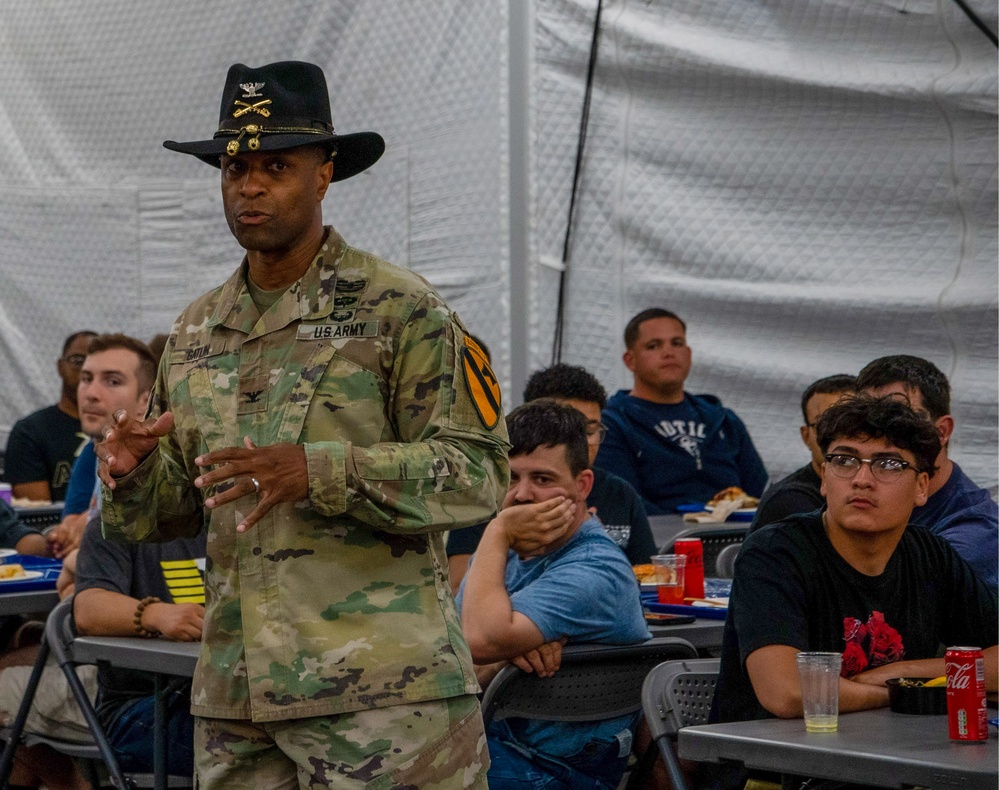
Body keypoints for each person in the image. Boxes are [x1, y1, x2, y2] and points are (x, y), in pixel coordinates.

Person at [96, 61, 509, 789]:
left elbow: (478, 474)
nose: (249, 186)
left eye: (276, 166)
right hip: (237, 696)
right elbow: (178, 511)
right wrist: (132, 476)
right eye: (234, 167)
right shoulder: (196, 329)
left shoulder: (400, 309)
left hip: (381, 696)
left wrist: (319, 471)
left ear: (324, 176)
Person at [709, 395, 997, 790]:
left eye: (889, 464)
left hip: (897, 763)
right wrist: (898, 694)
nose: (862, 479)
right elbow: (788, 693)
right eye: (844, 460)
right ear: (824, 477)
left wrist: (907, 673)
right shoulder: (774, 552)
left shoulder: (929, 553)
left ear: (922, 486)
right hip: (779, 772)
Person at [456, 400, 650, 790]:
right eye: (511, 479)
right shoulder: (507, 549)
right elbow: (454, 656)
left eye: (543, 479)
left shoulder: (598, 570)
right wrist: (503, 654)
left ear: (582, 486)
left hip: (555, 769)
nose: (522, 496)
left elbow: (475, 641)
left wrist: (495, 531)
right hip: (492, 742)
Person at [447, 364, 656, 593]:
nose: (582, 443)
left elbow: (651, 578)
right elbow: (458, 588)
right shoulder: (485, 493)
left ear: (583, 486)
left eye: (589, 431)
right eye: (563, 429)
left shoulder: (619, 493)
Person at [595, 308, 767, 514]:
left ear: (688, 353)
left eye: (677, 343)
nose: (668, 353)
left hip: (737, 536)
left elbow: (761, 494)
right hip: (662, 541)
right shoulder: (612, 422)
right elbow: (624, 501)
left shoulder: (724, 419)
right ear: (630, 360)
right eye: (653, 345)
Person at [856, 354, 998, 590]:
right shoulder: (862, 492)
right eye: (864, 419)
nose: (877, 434)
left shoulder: (973, 538)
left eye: (898, 419)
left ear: (942, 431)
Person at [45, 335, 158, 560]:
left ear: (145, 400)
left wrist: (73, 566)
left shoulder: (160, 466)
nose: (91, 393)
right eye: (86, 378)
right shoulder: (93, 450)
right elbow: (71, 530)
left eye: (113, 382)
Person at [749, 374, 855, 533]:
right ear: (806, 436)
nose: (839, 435)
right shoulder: (789, 500)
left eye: (850, 422)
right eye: (824, 425)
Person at [3, 330, 95, 503]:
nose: (85, 369)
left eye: (95, 363)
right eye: (77, 360)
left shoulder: (120, 426)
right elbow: (36, 514)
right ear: (60, 366)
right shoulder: (30, 431)